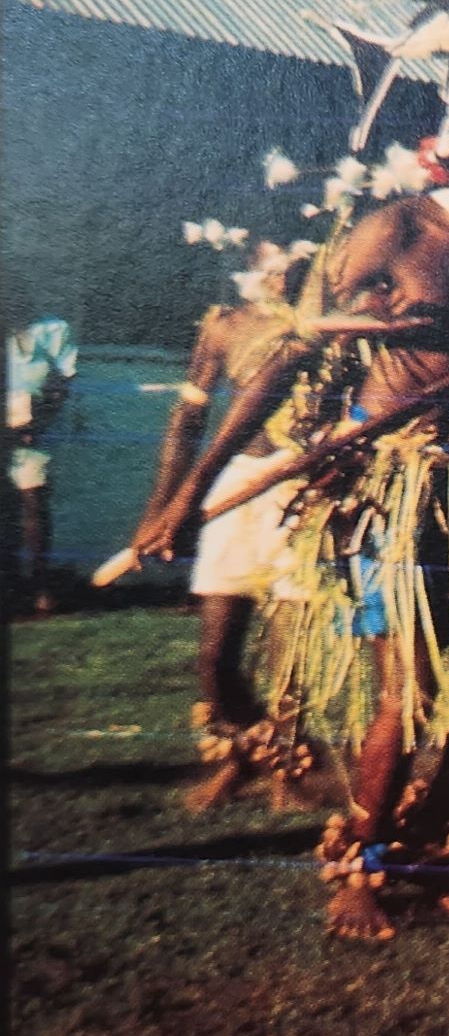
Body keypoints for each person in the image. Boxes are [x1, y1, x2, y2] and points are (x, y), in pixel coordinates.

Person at [135, 51, 449, 941]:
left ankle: (425, 848)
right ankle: (361, 875)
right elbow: (294, 356)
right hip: (392, 486)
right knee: (405, 697)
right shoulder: (393, 231)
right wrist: (186, 494)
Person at [127, 243, 318, 811]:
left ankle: (288, 768)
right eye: (274, 263)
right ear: (254, 267)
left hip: (305, 483)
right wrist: (159, 510)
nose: (284, 274)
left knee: (288, 652)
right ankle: (242, 753)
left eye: (297, 263)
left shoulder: (328, 332)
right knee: (215, 656)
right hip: (235, 485)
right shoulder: (225, 328)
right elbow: (186, 420)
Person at [8, 314, 78, 616]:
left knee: (33, 502)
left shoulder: (51, 331)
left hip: (31, 431)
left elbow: (63, 382)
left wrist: (38, 421)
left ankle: (40, 588)